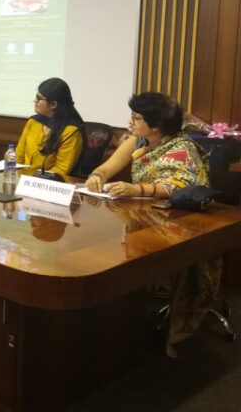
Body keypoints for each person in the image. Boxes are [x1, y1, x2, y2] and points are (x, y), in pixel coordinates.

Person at [84, 92, 215, 353]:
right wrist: (97, 175)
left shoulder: (181, 149)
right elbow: (109, 166)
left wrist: (136, 189)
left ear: (155, 126)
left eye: (136, 118)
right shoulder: (139, 140)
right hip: (146, 217)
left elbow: (180, 186)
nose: (129, 122)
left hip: (183, 222)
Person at [15, 77, 84, 180]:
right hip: (22, 180)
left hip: (49, 184)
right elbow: (18, 156)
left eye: (39, 98)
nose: (34, 101)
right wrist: (17, 177)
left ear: (53, 104)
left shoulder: (71, 131)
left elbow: (60, 171)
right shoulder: (33, 122)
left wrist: (32, 181)